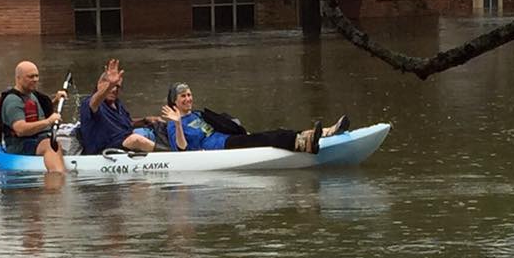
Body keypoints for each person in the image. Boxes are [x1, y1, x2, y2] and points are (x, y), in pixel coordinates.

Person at [159, 82, 350, 154]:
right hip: (218, 149)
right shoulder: (174, 124)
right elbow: (182, 149)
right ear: (174, 102)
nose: (188, 99)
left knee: (272, 133)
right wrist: (177, 124)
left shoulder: (198, 114)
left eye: (189, 95)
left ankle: (325, 133)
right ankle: (304, 144)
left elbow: (223, 125)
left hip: (228, 140)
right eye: (183, 96)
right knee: (269, 137)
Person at [78, 58, 160, 154]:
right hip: (102, 151)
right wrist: (109, 86)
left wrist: (145, 120)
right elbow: (94, 102)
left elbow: (127, 123)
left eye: (117, 87)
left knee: (150, 130)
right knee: (135, 140)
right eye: (112, 86)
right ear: (99, 84)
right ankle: (171, 155)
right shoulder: (90, 103)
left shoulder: (117, 105)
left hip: (122, 144)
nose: (114, 89)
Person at [0, 60, 68, 173]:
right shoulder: (13, 101)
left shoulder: (31, 94)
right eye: (30, 77)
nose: (35, 79)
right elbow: (20, 129)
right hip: (19, 144)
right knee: (49, 144)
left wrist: (55, 100)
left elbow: (37, 114)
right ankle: (57, 177)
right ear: (18, 78)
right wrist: (48, 122)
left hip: (36, 138)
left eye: (36, 76)